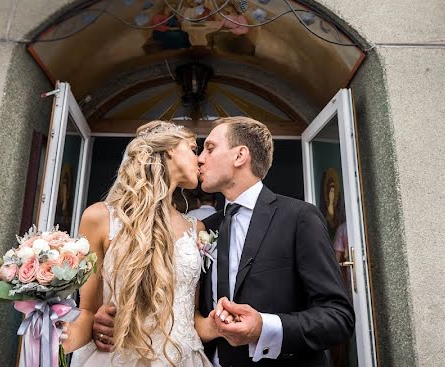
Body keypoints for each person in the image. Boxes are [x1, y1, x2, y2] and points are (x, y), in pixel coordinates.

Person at [92, 117, 355, 366]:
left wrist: (264, 327)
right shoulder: (203, 229)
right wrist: (105, 317)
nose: (200, 159)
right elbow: (178, 304)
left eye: (209, 148)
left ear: (240, 155)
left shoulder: (299, 218)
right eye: (198, 150)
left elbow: (338, 316)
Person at [62, 121, 219, 366]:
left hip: (182, 359)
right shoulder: (100, 218)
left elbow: (192, 315)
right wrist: (55, 338)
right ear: (169, 150)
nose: (199, 160)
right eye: (193, 149)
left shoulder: (195, 229)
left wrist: (219, 325)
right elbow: (88, 311)